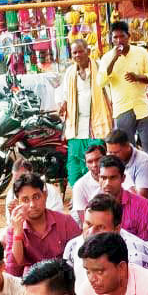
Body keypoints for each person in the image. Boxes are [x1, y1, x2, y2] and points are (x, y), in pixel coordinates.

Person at [99, 20, 148, 164]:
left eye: (122, 36)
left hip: (142, 108)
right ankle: (130, 177)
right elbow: (101, 82)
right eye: (115, 37)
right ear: (111, 39)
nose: (119, 40)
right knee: (126, 153)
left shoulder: (141, 52)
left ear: (128, 37)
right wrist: (114, 59)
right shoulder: (107, 58)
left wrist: (138, 77)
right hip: (122, 110)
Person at [58, 37, 113, 186]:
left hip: (98, 123)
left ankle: (100, 190)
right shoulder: (70, 73)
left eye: (80, 51)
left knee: (98, 162)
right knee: (74, 165)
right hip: (77, 126)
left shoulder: (100, 67)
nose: (77, 55)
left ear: (88, 51)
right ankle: (78, 192)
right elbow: (65, 95)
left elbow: (110, 90)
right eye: (74, 53)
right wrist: (63, 105)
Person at [3, 173, 81, 277]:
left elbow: (80, 260)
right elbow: (13, 271)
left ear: (45, 195)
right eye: (25, 200)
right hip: (31, 283)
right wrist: (18, 234)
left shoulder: (66, 222)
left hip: (64, 280)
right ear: (18, 203)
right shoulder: (14, 228)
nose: (32, 205)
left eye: (36, 197)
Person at [62, 194, 148, 274]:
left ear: (117, 229)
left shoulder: (135, 257)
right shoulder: (72, 247)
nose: (91, 232)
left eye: (100, 227)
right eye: (88, 224)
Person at [96, 153, 148, 241]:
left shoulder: (141, 205)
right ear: (98, 178)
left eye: (113, 178)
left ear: (123, 178)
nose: (107, 183)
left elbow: (145, 241)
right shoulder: (93, 206)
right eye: (103, 178)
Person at [104, 128, 148, 203]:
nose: (112, 156)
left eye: (116, 152)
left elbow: (140, 200)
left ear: (127, 146)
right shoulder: (111, 159)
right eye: (109, 152)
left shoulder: (143, 162)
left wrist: (127, 183)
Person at [70, 142, 105, 223]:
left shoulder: (117, 174)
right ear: (85, 164)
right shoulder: (79, 185)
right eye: (90, 161)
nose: (94, 165)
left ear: (105, 157)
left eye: (98, 159)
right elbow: (85, 221)